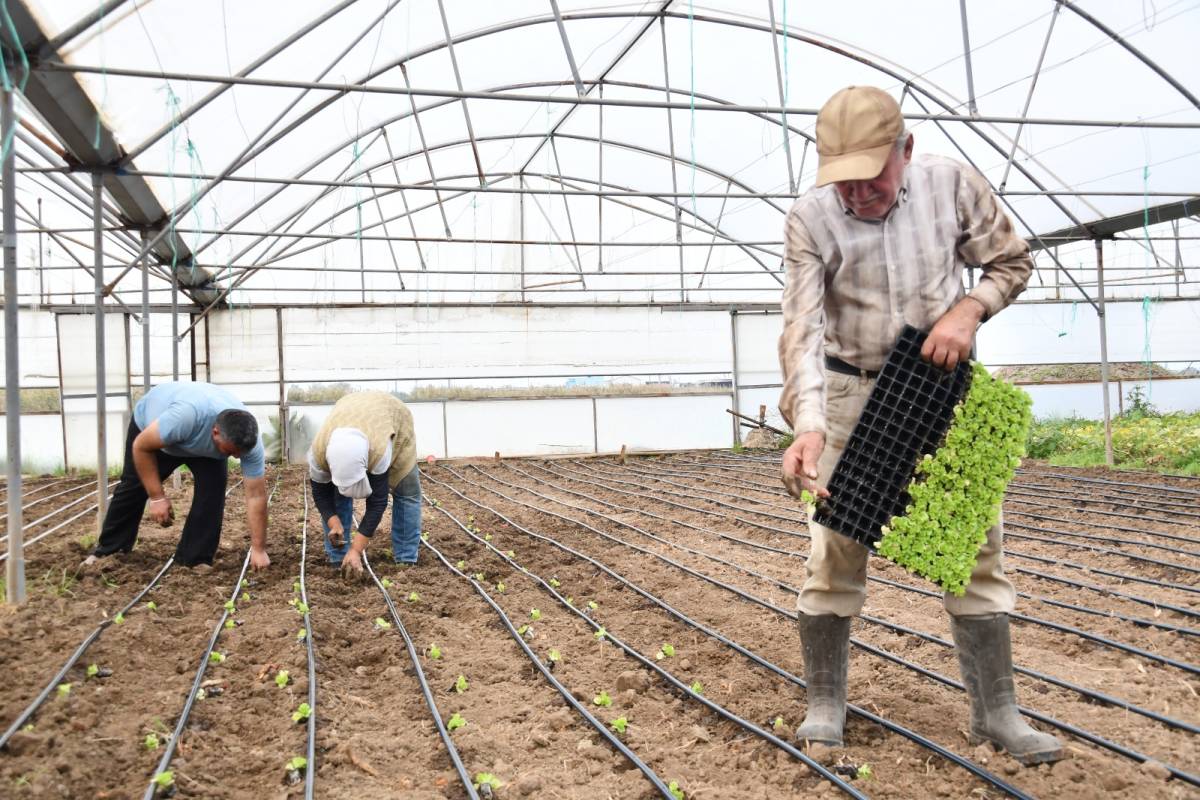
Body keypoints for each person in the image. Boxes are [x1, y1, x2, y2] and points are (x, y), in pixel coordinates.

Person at [777, 86, 1062, 765]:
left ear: (905, 151)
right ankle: (825, 705)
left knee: (973, 549)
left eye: (871, 177)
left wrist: (968, 312)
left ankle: (996, 714)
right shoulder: (810, 219)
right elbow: (802, 329)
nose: (857, 194)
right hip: (852, 392)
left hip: (939, 390)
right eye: (842, 181)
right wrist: (808, 425)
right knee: (835, 550)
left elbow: (1012, 261)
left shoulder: (950, 183)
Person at [82, 381, 270, 571]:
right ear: (215, 433)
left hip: (205, 447)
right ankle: (109, 551)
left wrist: (259, 549)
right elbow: (140, 446)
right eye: (231, 451)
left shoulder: (249, 444)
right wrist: (157, 497)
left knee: (212, 495)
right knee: (134, 486)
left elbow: (256, 495)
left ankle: (194, 559)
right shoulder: (185, 417)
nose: (237, 457)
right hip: (155, 435)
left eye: (239, 453)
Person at [308, 391, 420, 576]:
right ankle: (338, 558)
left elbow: (377, 503)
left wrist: (356, 550)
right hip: (348, 410)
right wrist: (333, 521)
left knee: (406, 490)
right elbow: (320, 493)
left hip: (392, 418)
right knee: (338, 494)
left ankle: (406, 558)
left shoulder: (379, 451)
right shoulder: (318, 454)